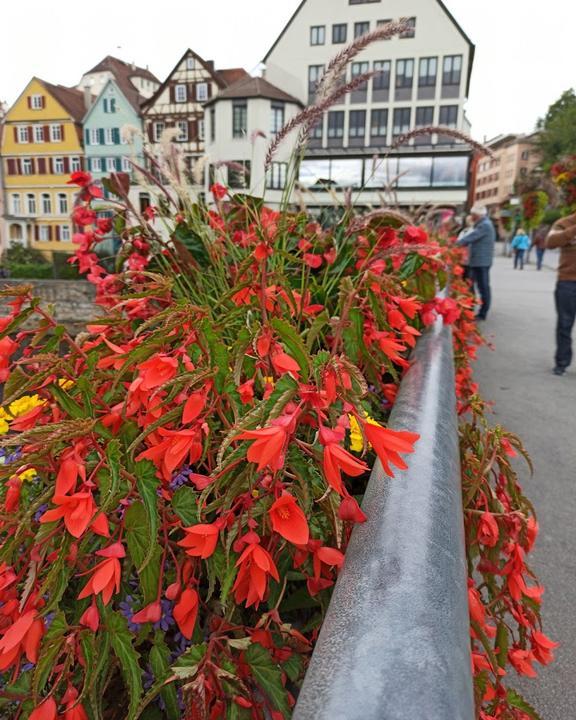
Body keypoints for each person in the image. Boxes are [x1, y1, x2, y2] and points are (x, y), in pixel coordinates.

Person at [546, 212, 576, 375]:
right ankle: (562, 362)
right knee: (565, 324)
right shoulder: (564, 223)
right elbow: (550, 242)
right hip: (568, 281)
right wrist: (572, 230)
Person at [456, 205, 496, 320]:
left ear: (476, 215)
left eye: (472, 215)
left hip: (481, 262)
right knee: (477, 285)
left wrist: (454, 244)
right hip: (479, 261)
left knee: (483, 287)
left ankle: (483, 313)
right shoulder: (483, 224)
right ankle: (477, 310)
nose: (471, 217)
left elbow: (470, 238)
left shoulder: (484, 225)